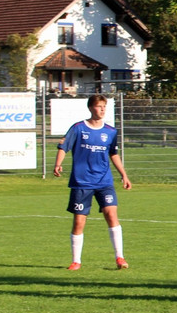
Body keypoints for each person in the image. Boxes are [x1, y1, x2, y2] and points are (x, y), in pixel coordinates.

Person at [54, 94, 132, 270]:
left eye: (104, 106)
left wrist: (124, 175)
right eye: (99, 106)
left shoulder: (110, 131)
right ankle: (76, 261)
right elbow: (63, 147)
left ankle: (120, 257)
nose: (102, 109)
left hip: (104, 181)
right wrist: (58, 164)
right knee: (79, 222)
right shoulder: (78, 128)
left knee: (111, 214)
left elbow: (113, 154)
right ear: (90, 108)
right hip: (82, 182)